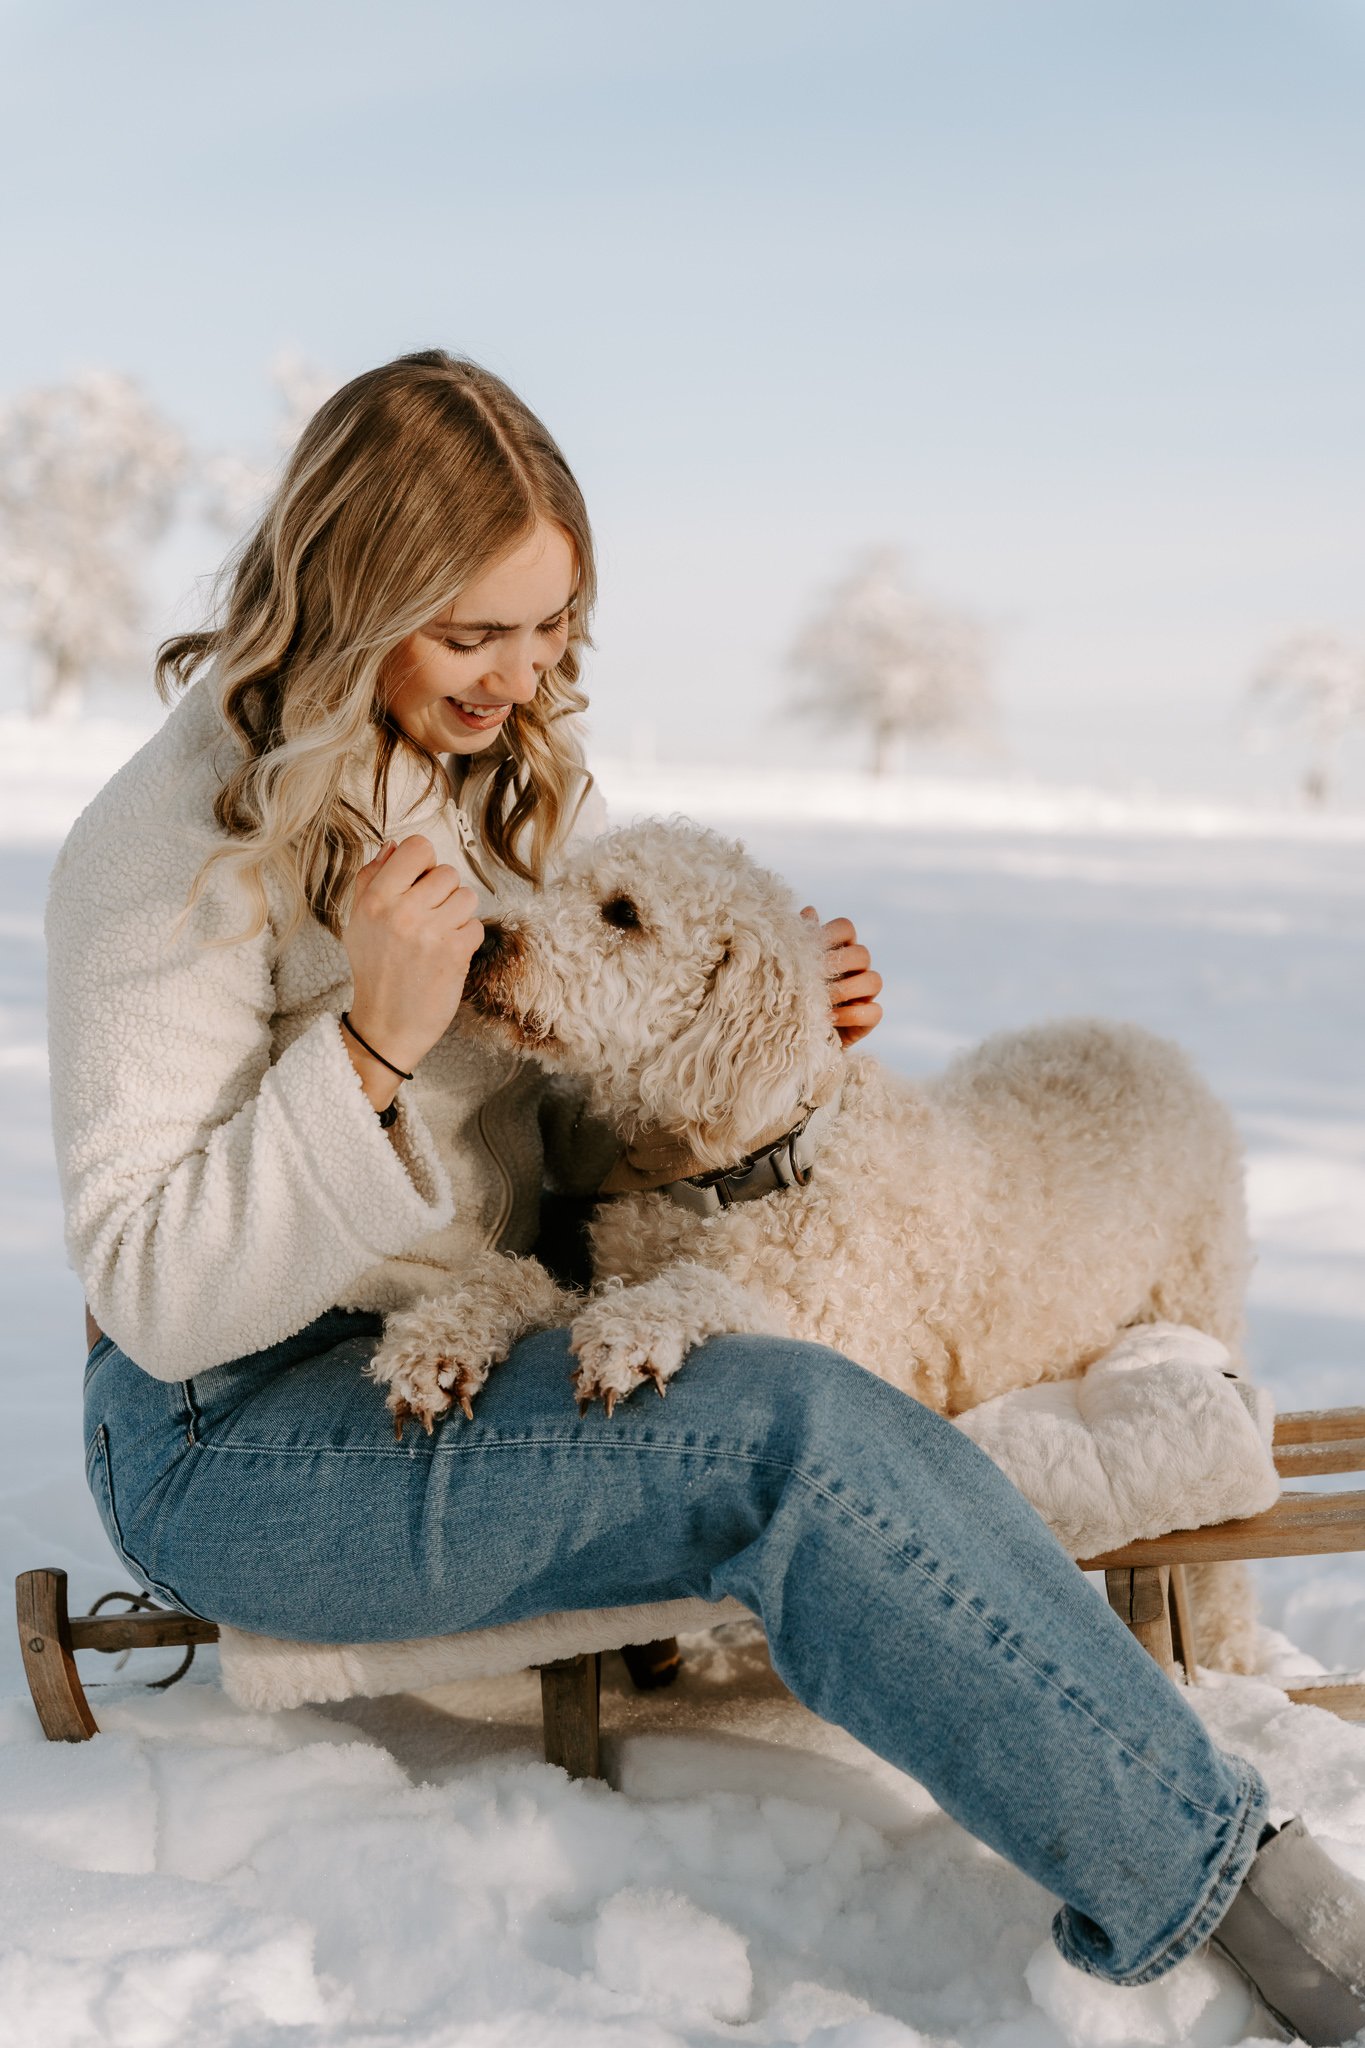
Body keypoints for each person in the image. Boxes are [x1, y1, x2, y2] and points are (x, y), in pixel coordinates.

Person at [47, 350, 1364, 2043]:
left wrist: (765, 1061)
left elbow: (568, 1145)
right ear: (347, 592)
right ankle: (1242, 1895)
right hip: (232, 1435)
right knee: (784, 1434)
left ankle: (1214, 1848)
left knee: (786, 1399)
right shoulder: (161, 849)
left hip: (488, 1352)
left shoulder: (509, 790)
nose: (521, 679)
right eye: (474, 633)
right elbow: (152, 1294)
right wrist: (364, 1055)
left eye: (551, 631)